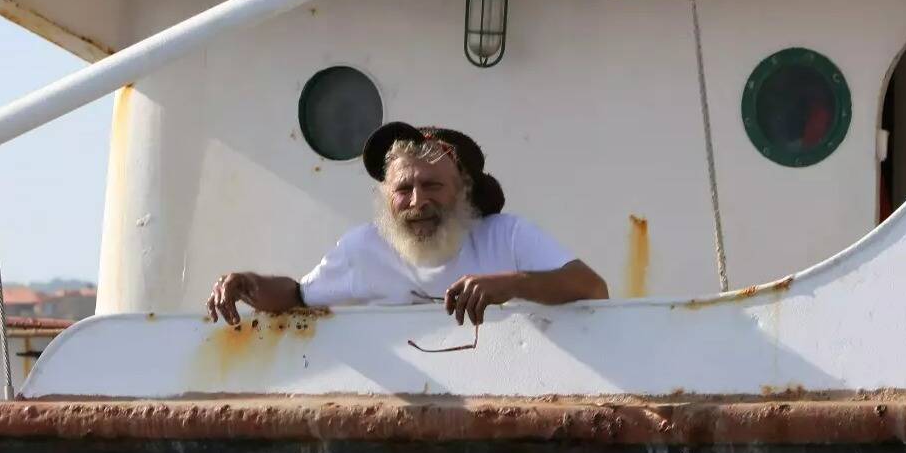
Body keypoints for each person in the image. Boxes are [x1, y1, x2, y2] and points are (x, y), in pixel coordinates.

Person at [206, 122, 608, 326]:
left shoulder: (507, 235)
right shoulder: (364, 247)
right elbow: (297, 294)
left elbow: (593, 287)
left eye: (432, 185)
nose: (418, 201)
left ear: (463, 190)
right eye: (404, 188)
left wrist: (512, 284)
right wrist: (247, 283)